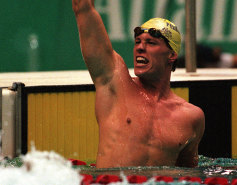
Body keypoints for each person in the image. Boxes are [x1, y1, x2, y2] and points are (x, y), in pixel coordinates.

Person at [72, 0, 205, 168]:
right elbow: (82, 7)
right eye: (138, 42)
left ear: (171, 55)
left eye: (151, 43)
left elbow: (190, 173)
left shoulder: (192, 117)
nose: (140, 48)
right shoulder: (115, 83)